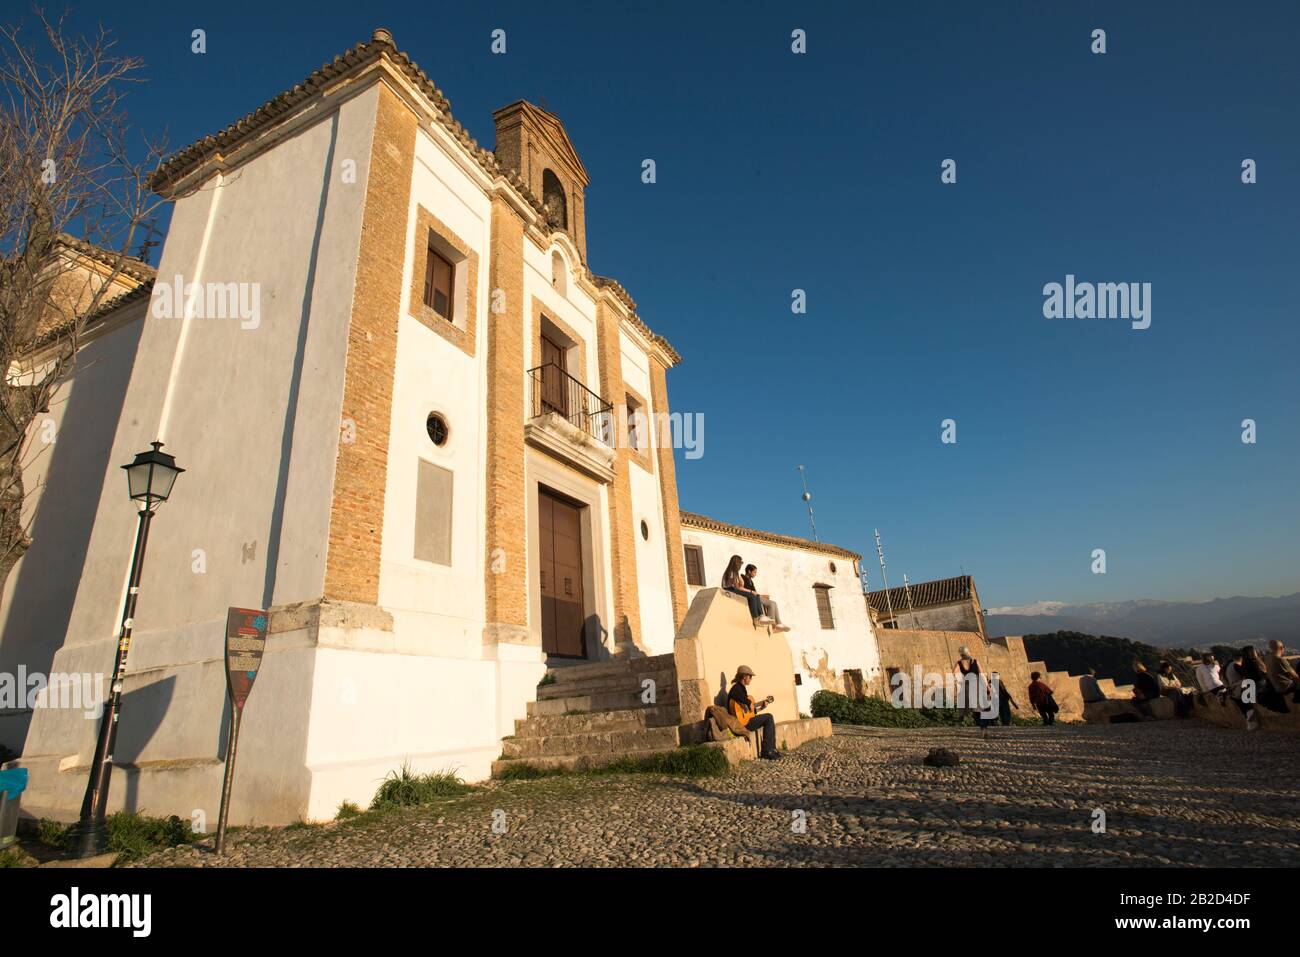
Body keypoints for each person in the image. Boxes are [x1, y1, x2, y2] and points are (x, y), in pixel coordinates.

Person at [728, 665, 780, 759]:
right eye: (750, 677)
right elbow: (735, 695)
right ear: (745, 677)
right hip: (741, 724)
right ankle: (767, 750)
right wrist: (748, 702)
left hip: (745, 721)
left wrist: (761, 707)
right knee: (769, 718)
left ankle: (772, 749)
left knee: (768, 717)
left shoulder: (742, 689)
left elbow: (750, 713)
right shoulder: (736, 688)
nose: (751, 679)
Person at [721, 555, 773, 625]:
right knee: (752, 596)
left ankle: (761, 616)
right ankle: (755, 618)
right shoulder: (731, 572)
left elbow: (739, 583)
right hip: (730, 589)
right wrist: (750, 591)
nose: (741, 565)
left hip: (733, 588)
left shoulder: (734, 572)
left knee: (756, 595)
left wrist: (740, 581)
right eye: (740, 563)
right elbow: (737, 587)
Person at [741, 564, 791, 632]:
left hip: (756, 597)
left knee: (774, 603)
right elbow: (743, 589)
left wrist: (762, 595)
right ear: (749, 571)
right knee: (771, 604)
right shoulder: (743, 577)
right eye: (754, 572)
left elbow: (755, 592)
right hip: (752, 597)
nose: (755, 574)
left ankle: (779, 623)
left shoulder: (750, 580)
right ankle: (773, 626)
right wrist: (759, 595)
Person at [953, 647, 991, 729]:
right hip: (977, 685)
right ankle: (983, 728)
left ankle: (963, 719)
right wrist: (988, 687)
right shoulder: (975, 661)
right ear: (968, 652)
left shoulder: (959, 663)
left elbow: (954, 673)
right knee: (980, 706)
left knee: (970, 706)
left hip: (967, 686)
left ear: (961, 654)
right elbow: (982, 675)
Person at [1224, 649, 1258, 731]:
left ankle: (1250, 725)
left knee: (1244, 708)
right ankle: (1252, 723)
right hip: (1240, 689)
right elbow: (1246, 675)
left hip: (1234, 691)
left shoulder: (1229, 666)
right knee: (1248, 706)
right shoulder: (1236, 665)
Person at [1265, 640, 1300, 704]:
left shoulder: (1267, 658)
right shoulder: (1280, 660)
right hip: (1286, 687)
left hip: (1276, 686)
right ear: (1281, 648)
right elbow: (1295, 676)